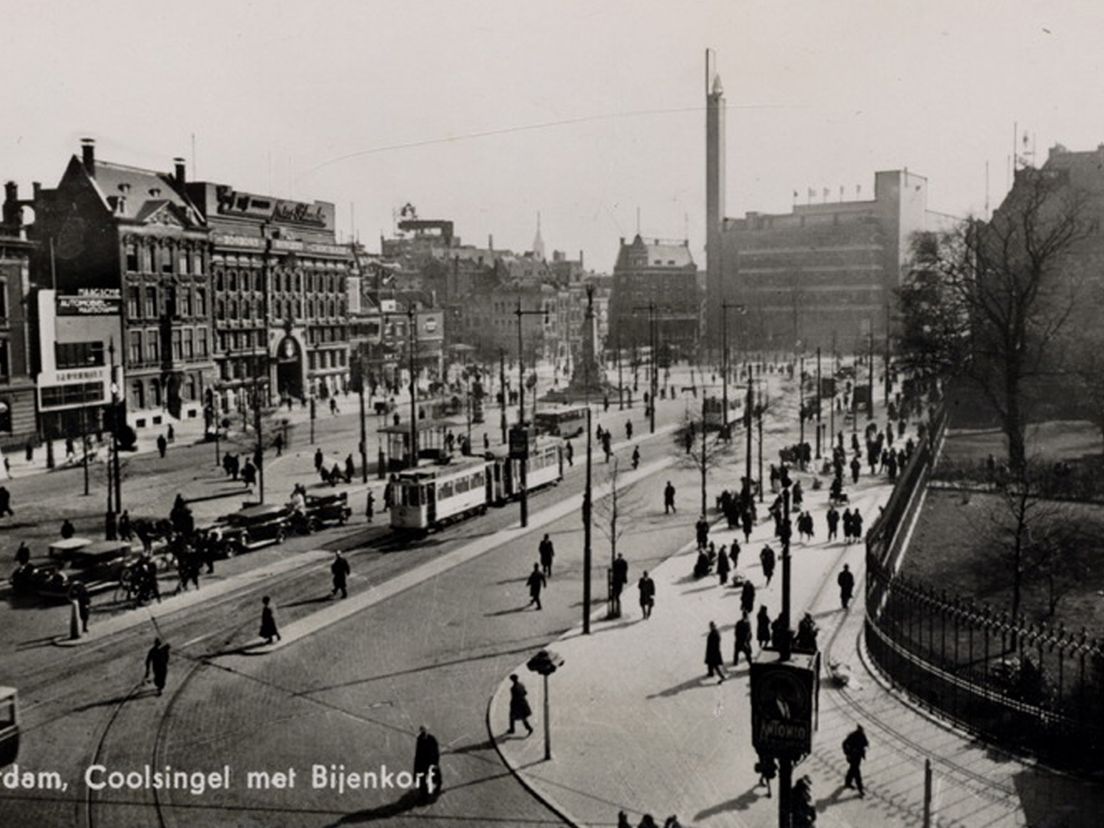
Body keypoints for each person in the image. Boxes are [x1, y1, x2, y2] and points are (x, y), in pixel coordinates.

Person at [413, 726, 441, 802]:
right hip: (424, 762)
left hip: (429, 761)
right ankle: (424, 794)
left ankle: (436, 786)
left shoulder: (430, 739)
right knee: (423, 778)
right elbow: (418, 754)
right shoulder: (422, 740)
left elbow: (435, 751)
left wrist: (435, 761)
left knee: (434, 774)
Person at [843, 724, 869, 797]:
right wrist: (847, 753)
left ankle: (848, 782)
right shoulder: (852, 736)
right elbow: (844, 744)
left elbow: (866, 743)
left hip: (858, 757)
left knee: (852, 769)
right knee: (857, 772)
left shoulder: (862, 735)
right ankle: (860, 789)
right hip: (852, 756)